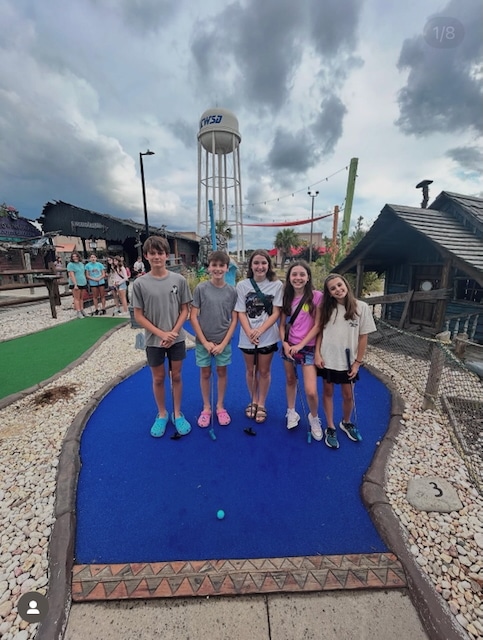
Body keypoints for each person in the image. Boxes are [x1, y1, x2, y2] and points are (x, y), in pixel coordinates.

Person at [132, 235, 192, 438]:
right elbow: (139, 315)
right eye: (152, 253)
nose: (157, 257)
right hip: (153, 340)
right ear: (146, 256)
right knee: (158, 378)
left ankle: (177, 413)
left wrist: (173, 333)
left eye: (160, 253)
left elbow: (185, 310)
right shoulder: (140, 284)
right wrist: (161, 334)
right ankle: (162, 414)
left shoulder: (179, 280)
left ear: (167, 255)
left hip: (177, 338)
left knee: (176, 376)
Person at [315, 273, 376, 449]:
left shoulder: (361, 307)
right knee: (327, 392)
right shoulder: (325, 308)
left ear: (346, 285)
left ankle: (346, 422)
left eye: (339, 285)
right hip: (328, 358)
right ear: (329, 293)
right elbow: (320, 332)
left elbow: (363, 337)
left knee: (348, 395)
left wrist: (358, 362)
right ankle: (330, 426)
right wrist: (317, 353)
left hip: (348, 361)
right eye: (332, 288)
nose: (338, 289)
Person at [190, 251, 238, 428]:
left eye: (221, 265)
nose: (218, 269)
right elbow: (193, 317)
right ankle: (206, 407)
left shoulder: (232, 291)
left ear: (227, 268)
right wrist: (204, 342)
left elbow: (234, 320)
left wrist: (223, 343)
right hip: (204, 341)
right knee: (205, 373)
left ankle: (220, 406)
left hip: (223, 341)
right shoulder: (201, 289)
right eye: (214, 265)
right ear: (209, 267)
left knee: (222, 372)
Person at [235, 249, 283, 424]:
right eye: (256, 263)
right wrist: (249, 332)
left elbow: (276, 312)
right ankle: (253, 400)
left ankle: (262, 402)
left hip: (267, 335)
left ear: (269, 265)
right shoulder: (242, 285)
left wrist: (260, 330)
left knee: (264, 371)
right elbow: (240, 311)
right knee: (250, 370)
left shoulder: (277, 285)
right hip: (247, 336)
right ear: (251, 265)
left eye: (263, 263)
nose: (260, 266)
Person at [279, 260, 323, 440]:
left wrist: (301, 345)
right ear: (289, 278)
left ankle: (314, 417)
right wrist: (285, 343)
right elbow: (282, 325)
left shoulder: (317, 296)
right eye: (294, 274)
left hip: (308, 348)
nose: (298, 278)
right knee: (290, 379)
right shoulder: (286, 298)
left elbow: (318, 325)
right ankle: (291, 411)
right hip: (289, 346)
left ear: (308, 277)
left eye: (302, 274)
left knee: (310, 390)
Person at [66, 251, 87, 319]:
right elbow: (71, 275)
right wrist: (75, 284)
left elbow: (83, 273)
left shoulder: (81, 264)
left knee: (81, 298)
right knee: (76, 298)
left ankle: (82, 309)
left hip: (82, 282)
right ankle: (78, 311)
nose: (75, 258)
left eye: (76, 256)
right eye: (73, 257)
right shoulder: (70, 264)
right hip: (76, 283)